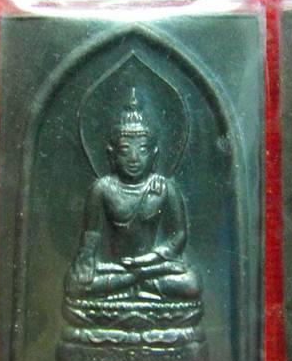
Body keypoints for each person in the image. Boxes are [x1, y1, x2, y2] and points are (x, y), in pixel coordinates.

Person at [66, 88, 201, 301]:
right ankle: (138, 283)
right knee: (75, 285)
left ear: (154, 155)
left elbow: (178, 235)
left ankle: (131, 282)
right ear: (112, 154)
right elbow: (91, 234)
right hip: (113, 265)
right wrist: (86, 261)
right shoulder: (102, 188)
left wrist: (149, 260)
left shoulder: (165, 188)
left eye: (143, 150)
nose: (134, 158)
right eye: (125, 150)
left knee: (191, 284)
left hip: (153, 265)